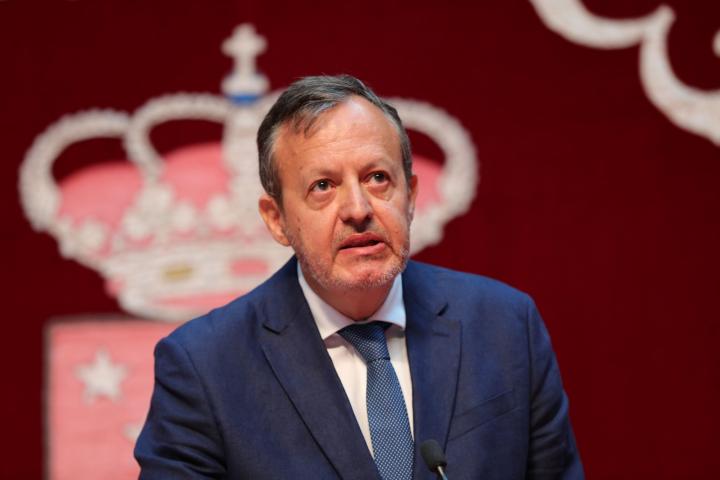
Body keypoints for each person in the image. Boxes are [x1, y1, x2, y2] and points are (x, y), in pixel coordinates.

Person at [135, 75, 584, 479]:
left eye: (377, 178)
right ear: (277, 220)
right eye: (323, 186)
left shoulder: (506, 327)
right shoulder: (205, 367)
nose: (357, 209)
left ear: (411, 197)